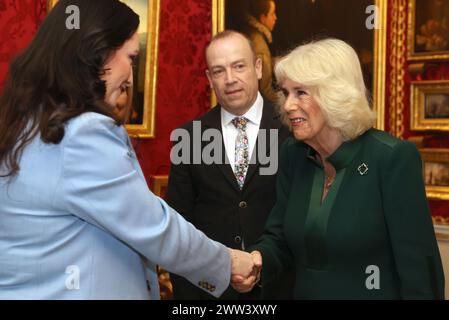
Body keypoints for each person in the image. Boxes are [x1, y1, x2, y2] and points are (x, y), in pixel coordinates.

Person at [0, 0, 258, 299]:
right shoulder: (83, 132)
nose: (130, 76)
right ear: (101, 54)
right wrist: (227, 262)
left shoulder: (25, 121)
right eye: (132, 58)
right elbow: (153, 226)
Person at [233, 38, 446, 299]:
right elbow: (279, 238)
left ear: (335, 94)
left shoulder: (391, 159)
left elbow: (420, 272)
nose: (288, 105)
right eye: (285, 93)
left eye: (301, 92)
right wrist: (257, 262)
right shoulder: (293, 154)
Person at [166, 30, 293, 300]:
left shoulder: (293, 129)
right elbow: (179, 228)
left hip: (279, 289)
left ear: (258, 67)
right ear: (209, 79)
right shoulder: (189, 138)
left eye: (239, 66)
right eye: (219, 71)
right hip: (209, 294)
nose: (230, 79)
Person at [241, 0, 278, 104]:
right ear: (262, 18)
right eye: (272, 14)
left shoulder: (247, 32)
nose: (275, 18)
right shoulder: (259, 45)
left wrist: (272, 62)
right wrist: (285, 100)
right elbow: (265, 92)